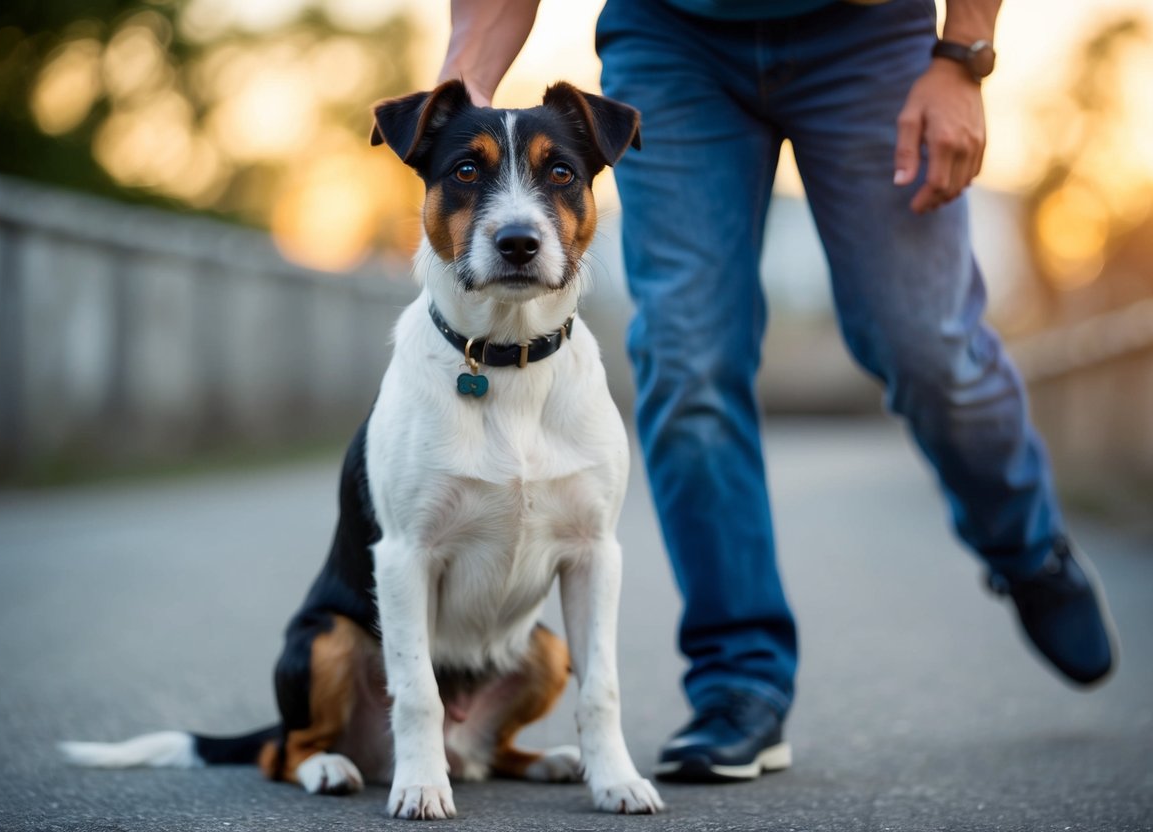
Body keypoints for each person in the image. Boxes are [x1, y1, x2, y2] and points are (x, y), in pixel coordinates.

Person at [438, 0, 1118, 783]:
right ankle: (739, 680)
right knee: (686, 357)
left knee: (924, 343)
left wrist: (962, 54)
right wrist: (468, 64)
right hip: (671, 37)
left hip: (866, 32)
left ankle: (1026, 547)